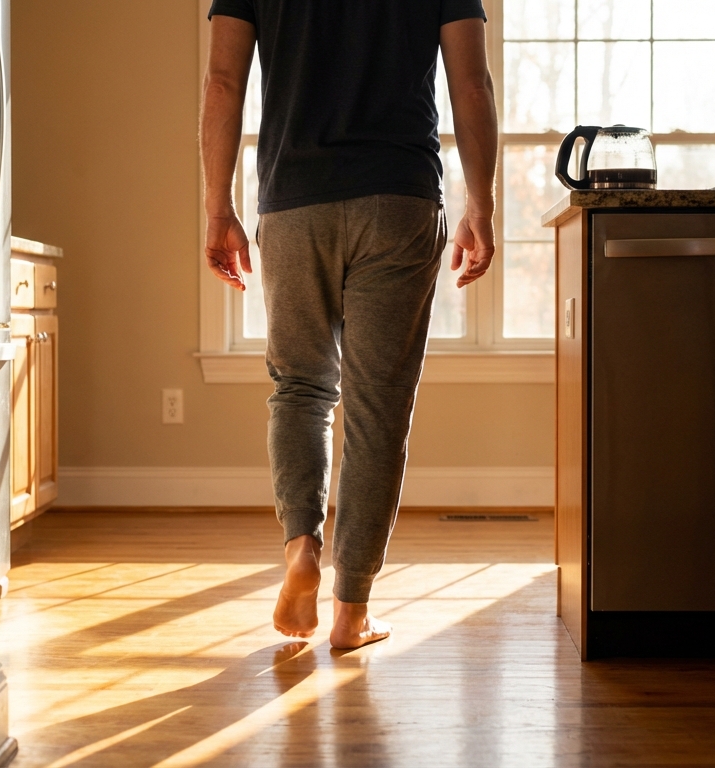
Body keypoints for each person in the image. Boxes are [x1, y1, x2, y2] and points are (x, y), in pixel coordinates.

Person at [199, 0, 497, 650]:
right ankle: (351, 610)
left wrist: (217, 207)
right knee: (377, 409)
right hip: (398, 196)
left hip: (293, 200)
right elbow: (469, 82)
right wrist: (482, 201)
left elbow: (224, 82)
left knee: (301, 388)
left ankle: (302, 543)